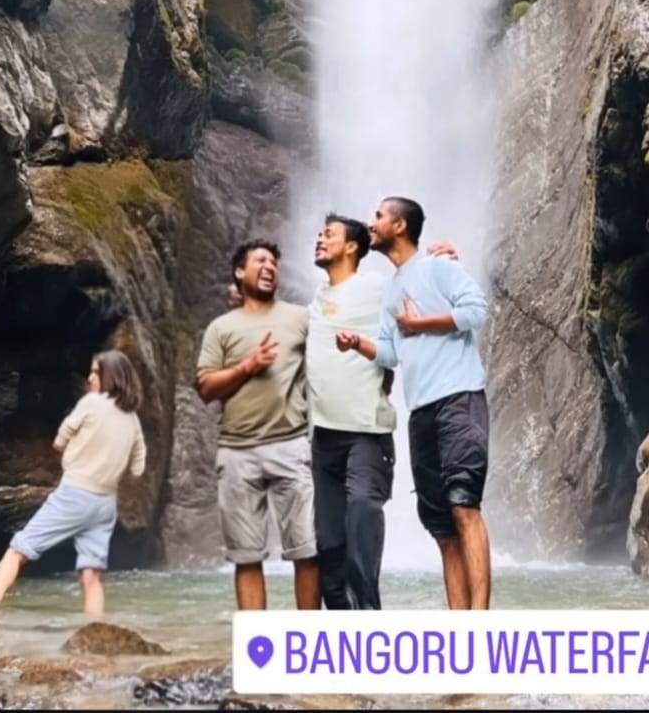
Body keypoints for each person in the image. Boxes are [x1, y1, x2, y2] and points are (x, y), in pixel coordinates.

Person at [337, 196, 491, 610]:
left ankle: (481, 621)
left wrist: (419, 323)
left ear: (400, 226)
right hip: (421, 412)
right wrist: (358, 344)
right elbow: (392, 352)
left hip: (460, 398)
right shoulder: (391, 290)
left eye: (379, 216)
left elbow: (477, 311)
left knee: (464, 506)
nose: (371, 224)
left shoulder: (440, 267)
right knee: (440, 525)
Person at [0, 350, 146, 620]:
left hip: (75, 494)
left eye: (94, 372)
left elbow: (60, 439)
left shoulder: (91, 404)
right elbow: (137, 468)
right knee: (91, 574)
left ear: (110, 377)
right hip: (104, 505)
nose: (89, 378)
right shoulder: (132, 419)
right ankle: (95, 629)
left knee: (17, 550)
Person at [196, 239, 321, 612]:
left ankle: (309, 644)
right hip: (237, 451)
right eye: (260, 261)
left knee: (307, 550)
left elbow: (335, 351)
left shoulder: (301, 318)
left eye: (274, 263)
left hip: (292, 444)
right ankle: (259, 650)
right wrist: (248, 366)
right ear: (239, 272)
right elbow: (205, 387)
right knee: (246, 557)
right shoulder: (222, 328)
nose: (269, 267)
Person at [307, 213, 397, 610]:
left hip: (366, 432)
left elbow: (414, 290)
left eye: (328, 235)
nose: (319, 240)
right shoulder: (316, 300)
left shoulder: (376, 287)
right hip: (323, 437)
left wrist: (442, 260)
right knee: (329, 546)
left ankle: (368, 626)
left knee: (362, 515)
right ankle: (343, 641)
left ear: (353, 246)